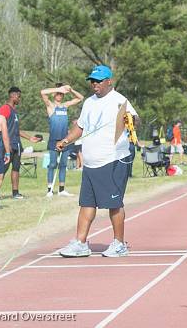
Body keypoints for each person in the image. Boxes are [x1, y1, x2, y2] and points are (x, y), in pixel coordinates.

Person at [56, 65, 138, 258]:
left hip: (113, 159)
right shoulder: (89, 103)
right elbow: (81, 128)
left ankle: (119, 244)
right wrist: (67, 140)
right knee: (86, 204)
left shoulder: (119, 100)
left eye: (99, 80)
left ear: (109, 81)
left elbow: (135, 120)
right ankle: (81, 243)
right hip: (91, 163)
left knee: (114, 204)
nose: (95, 84)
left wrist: (131, 120)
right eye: (92, 80)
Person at [0, 87, 43, 199]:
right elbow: (0, 126)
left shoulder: (14, 111)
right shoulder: (5, 108)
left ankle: (15, 192)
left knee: (16, 168)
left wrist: (30, 138)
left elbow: (16, 130)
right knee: (3, 168)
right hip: (7, 145)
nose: (19, 99)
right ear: (13, 96)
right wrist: (5, 143)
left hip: (17, 145)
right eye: (19, 96)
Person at [40, 83, 84, 197]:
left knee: (63, 165)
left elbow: (80, 98)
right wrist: (58, 89)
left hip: (65, 140)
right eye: (58, 94)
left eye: (61, 94)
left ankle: (61, 189)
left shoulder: (65, 105)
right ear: (54, 94)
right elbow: (42, 92)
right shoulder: (51, 106)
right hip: (54, 140)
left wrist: (71, 90)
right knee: (53, 164)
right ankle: (49, 189)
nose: (59, 95)